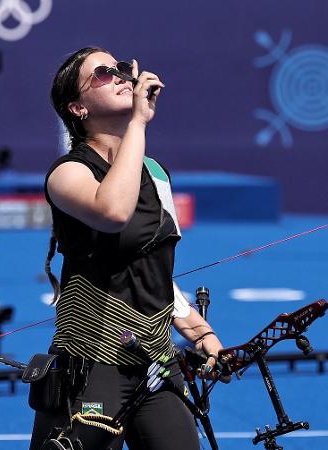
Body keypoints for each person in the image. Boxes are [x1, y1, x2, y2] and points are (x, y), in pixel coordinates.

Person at [30, 47, 229, 450]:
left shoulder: (155, 173)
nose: (121, 76)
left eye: (121, 68)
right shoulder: (68, 173)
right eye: (103, 73)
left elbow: (154, 266)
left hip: (155, 358)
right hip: (91, 357)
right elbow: (114, 211)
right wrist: (138, 122)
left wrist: (195, 328)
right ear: (77, 108)